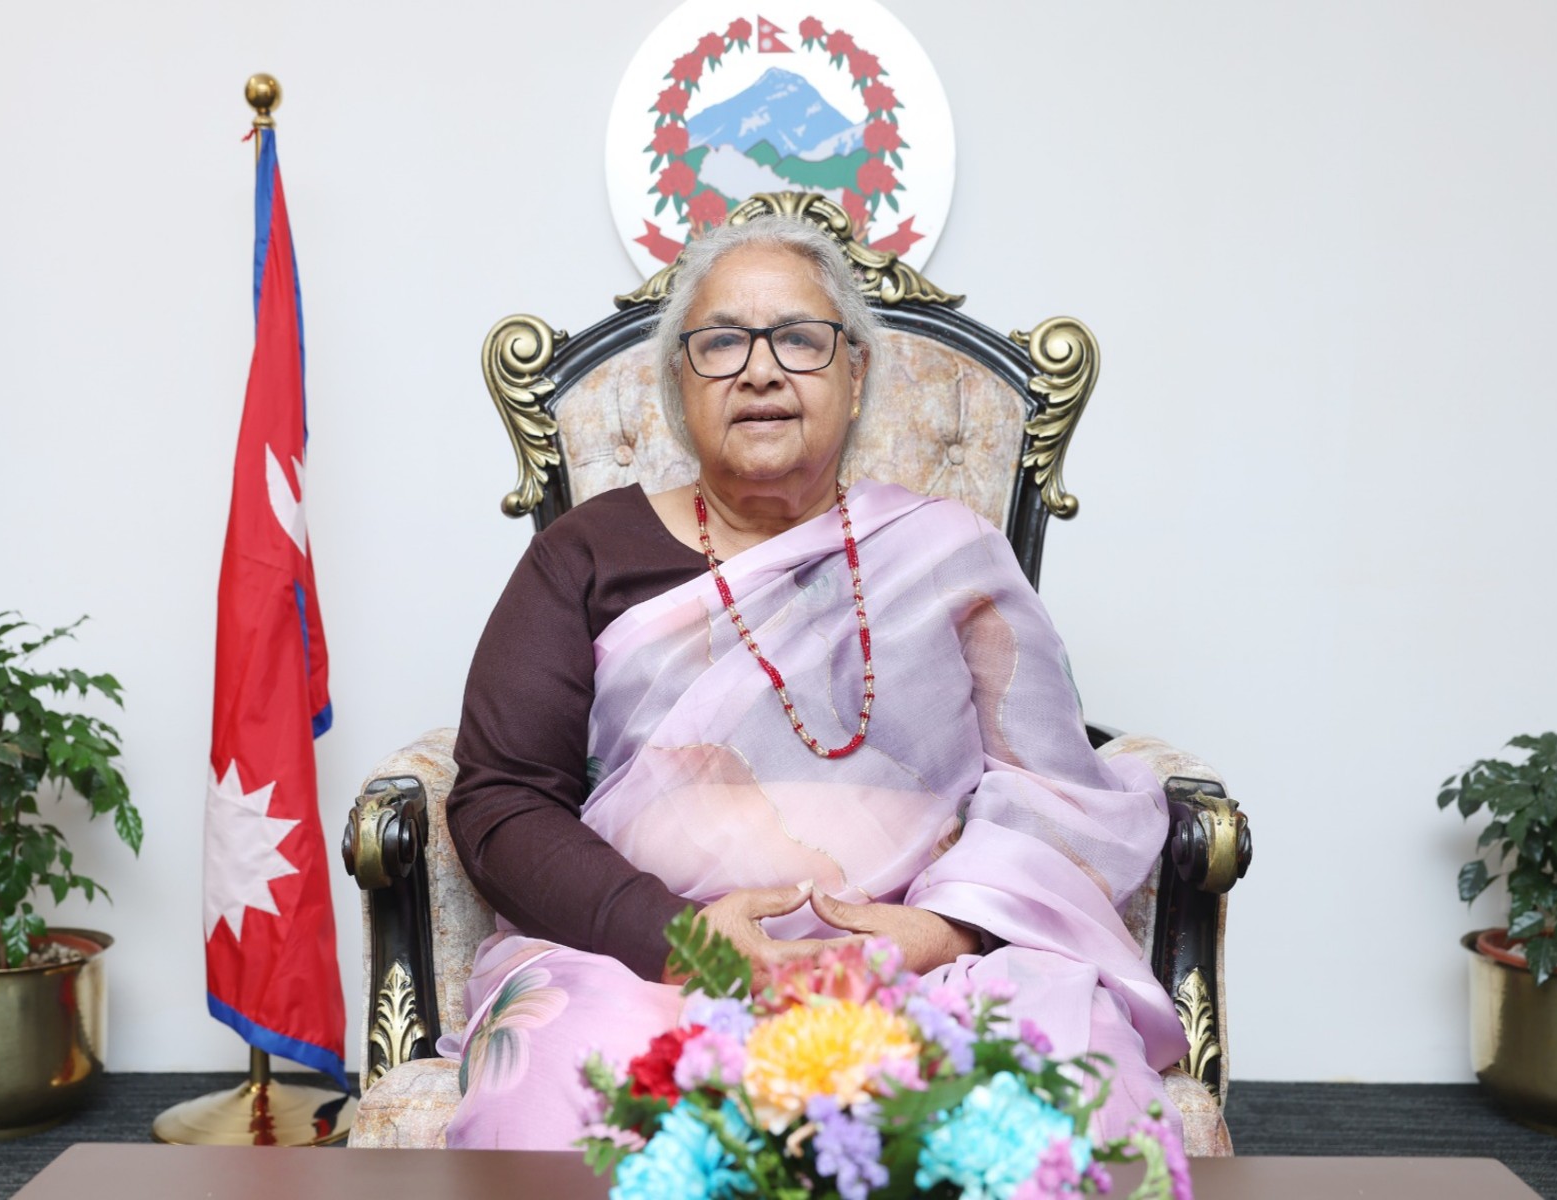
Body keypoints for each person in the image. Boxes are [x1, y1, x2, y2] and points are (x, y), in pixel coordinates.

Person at [440, 214, 1190, 1150]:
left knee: (1072, 1083)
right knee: (558, 1076)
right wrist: (679, 940)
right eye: (722, 342)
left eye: (798, 338)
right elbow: (501, 801)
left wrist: (945, 933)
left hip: (920, 964)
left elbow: (1050, 790)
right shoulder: (583, 554)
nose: (760, 371)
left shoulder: (948, 555)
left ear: (855, 373)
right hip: (640, 964)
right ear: (679, 379)